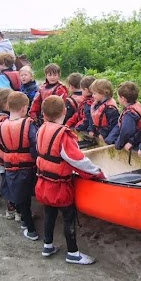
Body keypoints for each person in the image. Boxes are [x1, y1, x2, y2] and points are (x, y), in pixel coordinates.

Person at [35, 95, 106, 263]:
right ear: (65, 112)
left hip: (44, 182)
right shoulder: (63, 135)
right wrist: (98, 172)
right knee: (68, 217)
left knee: (49, 213)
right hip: (59, 187)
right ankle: (73, 253)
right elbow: (77, 160)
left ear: (44, 114)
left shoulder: (41, 129)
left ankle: (48, 245)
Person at [0, 92, 38, 240]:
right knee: (26, 198)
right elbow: (35, 144)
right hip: (27, 166)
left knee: (19, 197)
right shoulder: (28, 125)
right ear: (24, 108)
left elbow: (0, 145)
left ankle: (25, 224)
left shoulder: (1, 125)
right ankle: (31, 230)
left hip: (10, 167)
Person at [106, 81, 141, 151]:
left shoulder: (129, 114)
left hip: (136, 141)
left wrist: (118, 145)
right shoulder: (136, 105)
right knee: (110, 139)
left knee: (117, 144)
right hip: (139, 137)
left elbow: (126, 132)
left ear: (123, 99)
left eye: (118, 96)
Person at [87, 78, 120, 143]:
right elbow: (92, 118)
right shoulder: (96, 104)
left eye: (94, 93)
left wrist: (103, 134)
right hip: (99, 132)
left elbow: (114, 125)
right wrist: (91, 129)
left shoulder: (110, 109)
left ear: (103, 93)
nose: (92, 96)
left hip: (107, 135)